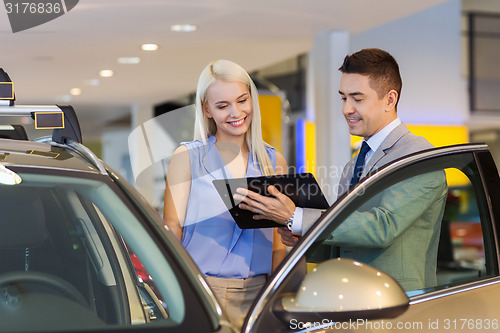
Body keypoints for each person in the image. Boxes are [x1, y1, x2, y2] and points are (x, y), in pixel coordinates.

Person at [234, 48, 447, 291]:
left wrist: (298, 218)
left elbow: (382, 227)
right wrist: (301, 236)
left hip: (397, 303)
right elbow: (345, 243)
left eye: (358, 99)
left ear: (390, 99)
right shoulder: (353, 164)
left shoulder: (417, 156)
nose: (346, 109)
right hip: (352, 298)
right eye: (344, 98)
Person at [163, 59, 287, 328]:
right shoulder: (188, 157)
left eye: (242, 100)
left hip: (260, 294)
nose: (236, 112)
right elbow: (172, 227)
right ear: (207, 110)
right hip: (204, 292)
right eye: (223, 106)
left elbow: (278, 244)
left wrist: (276, 296)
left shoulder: (272, 160)